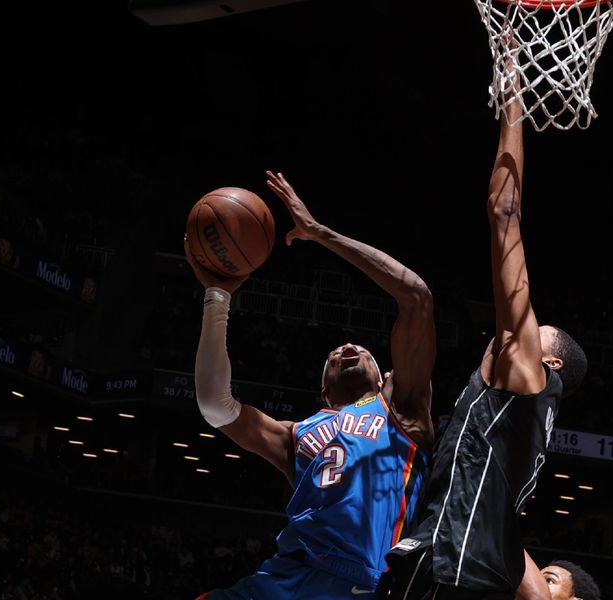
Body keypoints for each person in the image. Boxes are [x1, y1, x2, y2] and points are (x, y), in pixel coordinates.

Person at [380, 61, 588, 599]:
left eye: (541, 330)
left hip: (452, 571)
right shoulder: (523, 418)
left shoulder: (526, 378)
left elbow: (504, 213)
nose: (526, 327)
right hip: (462, 570)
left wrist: (513, 95)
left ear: (552, 363)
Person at [188, 170, 436, 599]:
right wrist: (217, 298)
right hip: (284, 578)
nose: (346, 347)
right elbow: (215, 406)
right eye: (334, 355)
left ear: (384, 379)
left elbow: (415, 296)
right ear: (323, 391)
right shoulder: (294, 437)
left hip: (364, 585)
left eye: (361, 350)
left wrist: (320, 234)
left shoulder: (404, 411)